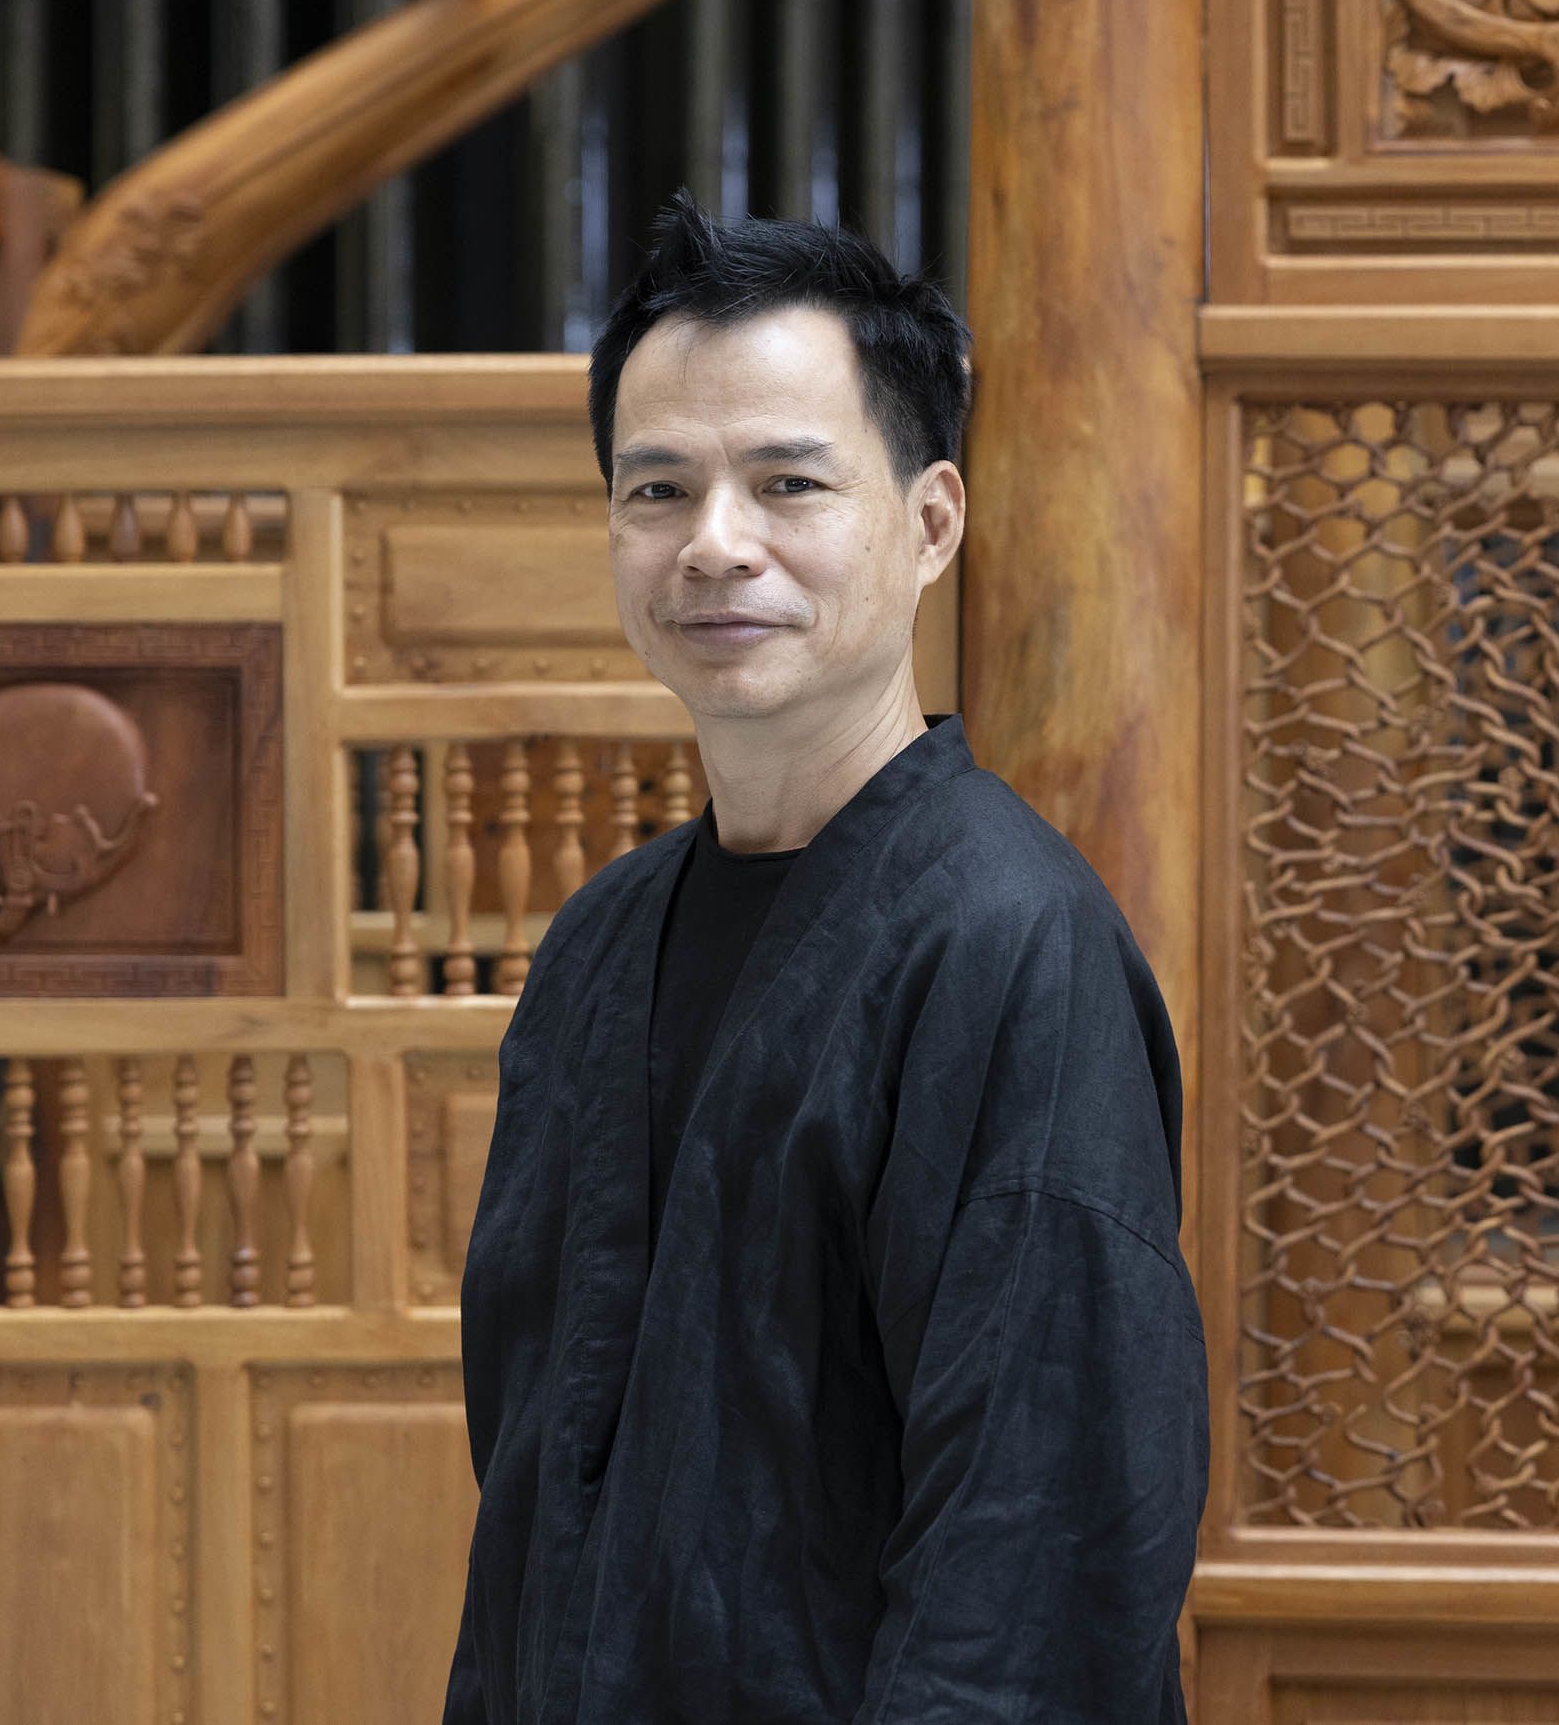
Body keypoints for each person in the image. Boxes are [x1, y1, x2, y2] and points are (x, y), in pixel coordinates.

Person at [443, 193, 1205, 1722]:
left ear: (931, 522)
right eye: (657, 489)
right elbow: (531, 1489)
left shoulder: (1009, 946)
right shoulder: (596, 944)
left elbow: (1032, 1559)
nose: (716, 544)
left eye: (788, 481)